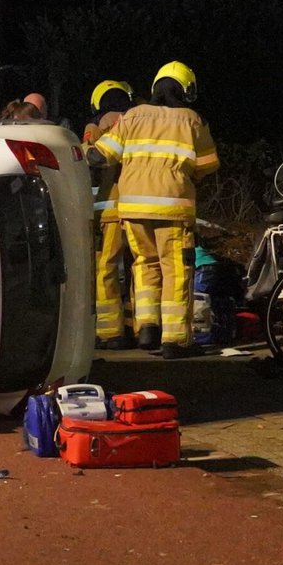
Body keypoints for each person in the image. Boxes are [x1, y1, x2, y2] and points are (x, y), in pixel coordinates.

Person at [91, 62, 218, 358]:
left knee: (144, 265)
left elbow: (101, 155)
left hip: (133, 207)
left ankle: (147, 327)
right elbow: (208, 163)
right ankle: (175, 340)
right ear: (185, 89)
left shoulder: (133, 116)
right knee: (175, 270)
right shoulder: (192, 120)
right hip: (173, 206)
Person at [83, 80, 136, 348]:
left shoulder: (96, 126)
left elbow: (87, 163)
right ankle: (139, 327)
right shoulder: (139, 122)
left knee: (106, 269)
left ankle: (110, 332)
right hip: (140, 206)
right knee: (141, 269)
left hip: (110, 207)